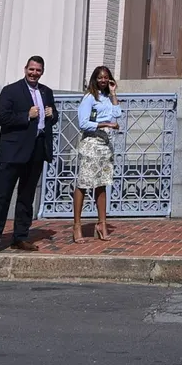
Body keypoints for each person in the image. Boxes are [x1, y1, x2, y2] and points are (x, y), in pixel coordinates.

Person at [0, 56, 57, 260]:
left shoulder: (46, 92)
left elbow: (53, 117)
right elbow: (1, 118)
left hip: (37, 150)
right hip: (14, 152)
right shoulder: (11, 90)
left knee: (26, 196)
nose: (34, 73)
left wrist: (52, 114)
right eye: (31, 69)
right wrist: (26, 115)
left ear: (42, 72)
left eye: (38, 70)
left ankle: (20, 236)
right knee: (2, 195)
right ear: (25, 69)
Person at [72, 65, 120, 243]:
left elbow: (117, 114)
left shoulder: (107, 97)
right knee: (84, 183)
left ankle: (102, 223)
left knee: (102, 184)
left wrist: (113, 93)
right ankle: (77, 225)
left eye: (106, 77)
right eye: (100, 77)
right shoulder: (89, 98)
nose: (103, 80)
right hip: (91, 144)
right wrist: (104, 124)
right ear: (94, 78)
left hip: (105, 145)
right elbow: (83, 123)